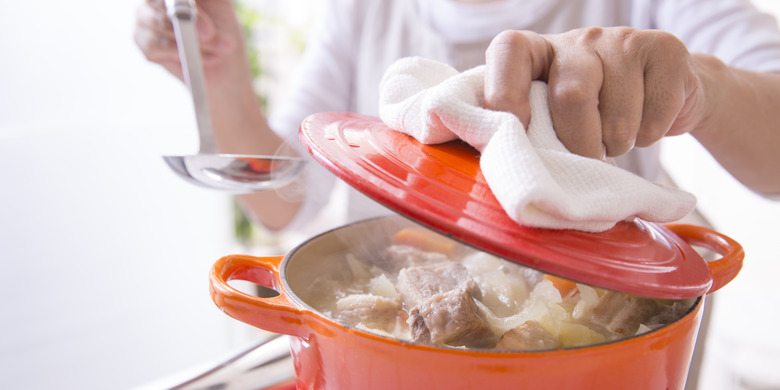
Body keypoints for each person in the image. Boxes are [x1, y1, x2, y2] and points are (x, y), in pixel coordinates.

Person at [134, 0, 780, 235]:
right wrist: (220, 73)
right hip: (399, 337)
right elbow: (288, 200)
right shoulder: (360, 9)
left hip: (594, 343)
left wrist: (700, 90)